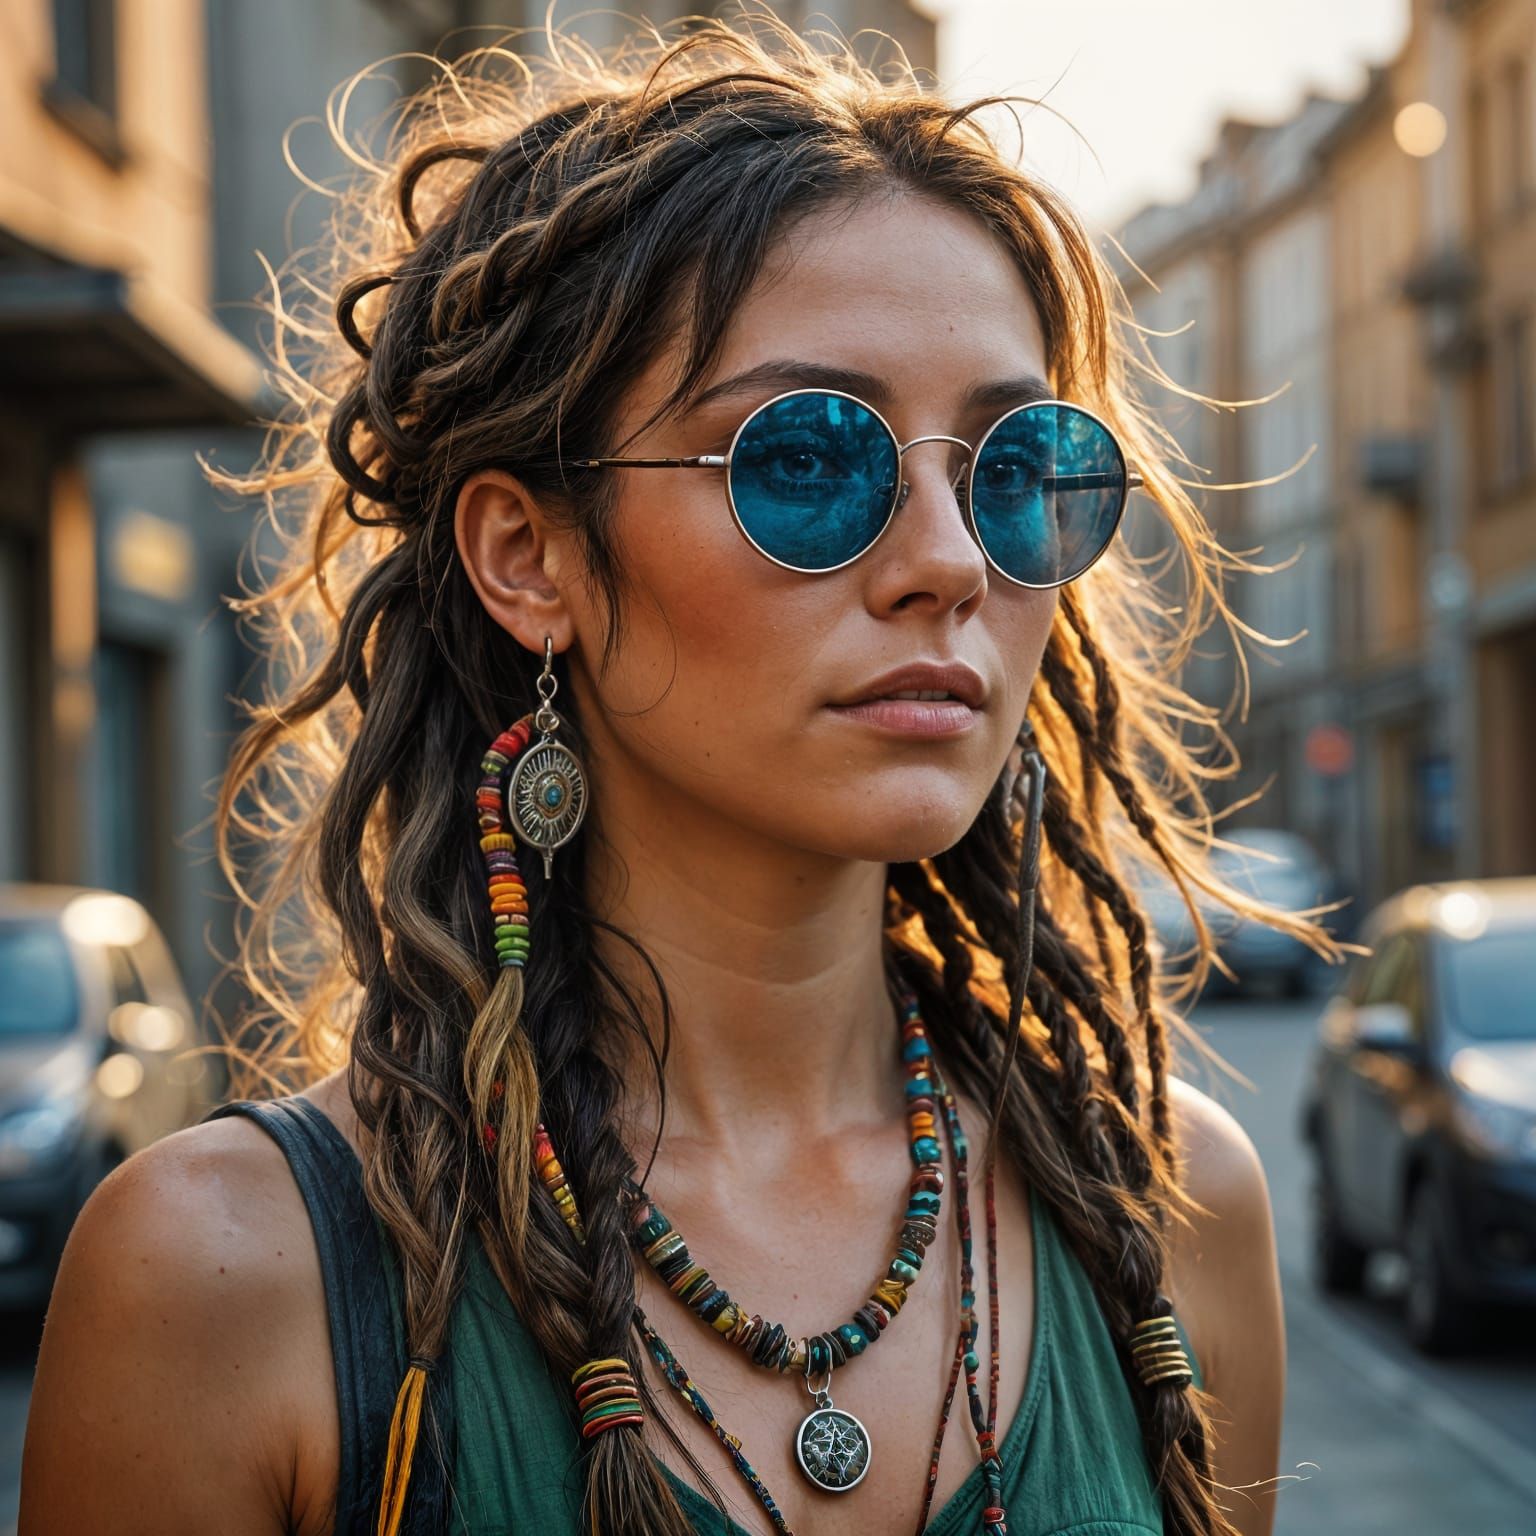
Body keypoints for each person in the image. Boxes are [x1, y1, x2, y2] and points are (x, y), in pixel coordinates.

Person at [22, 12, 1323, 1535]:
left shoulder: (1171, 1208)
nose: (952, 563)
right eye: (807, 458)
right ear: (531, 557)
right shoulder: (227, 1275)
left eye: (1016, 467)